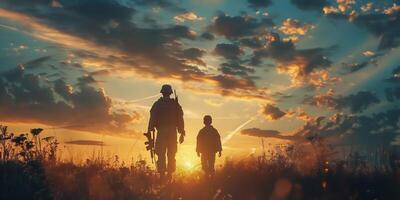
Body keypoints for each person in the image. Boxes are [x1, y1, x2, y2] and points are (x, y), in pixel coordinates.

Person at [148, 84, 185, 180]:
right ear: (170, 93)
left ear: (162, 92)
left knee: (161, 152)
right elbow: (180, 118)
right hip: (173, 131)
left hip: (161, 130)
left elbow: (152, 117)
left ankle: (162, 174)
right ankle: (169, 174)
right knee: (171, 152)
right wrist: (181, 132)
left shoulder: (157, 104)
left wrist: (150, 129)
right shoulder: (175, 104)